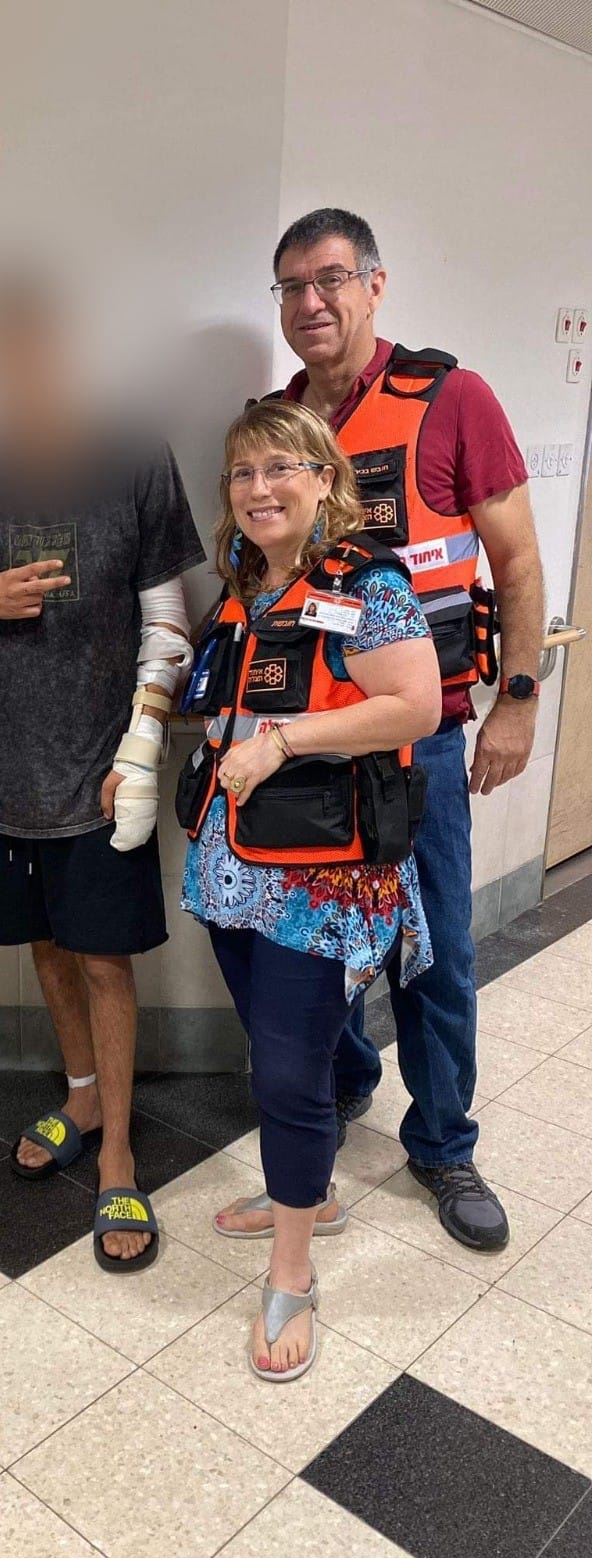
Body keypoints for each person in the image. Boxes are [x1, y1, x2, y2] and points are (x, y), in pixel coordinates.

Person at [248, 207, 543, 1252]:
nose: (310, 303)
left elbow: (515, 563)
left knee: (433, 954)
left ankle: (446, 1141)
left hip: (422, 743)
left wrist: (517, 695)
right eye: (289, 287)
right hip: (312, 746)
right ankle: (342, 1086)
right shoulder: (275, 424)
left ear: (376, 284)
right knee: (316, 947)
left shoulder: (451, 400)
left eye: (330, 279)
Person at [0, 274, 202, 1271]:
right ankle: (80, 1096)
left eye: (34, 345)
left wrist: (136, 751)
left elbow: (170, 617)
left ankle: (120, 1150)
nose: (19, 367)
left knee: (104, 958)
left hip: (102, 772)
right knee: (44, 945)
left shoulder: (131, 455)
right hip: (5, 769)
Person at [184, 400, 440, 1379]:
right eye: (243, 474)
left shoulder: (368, 583)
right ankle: (314, 1190)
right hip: (232, 865)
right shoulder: (243, 589)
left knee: (287, 1073)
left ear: (325, 478)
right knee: (281, 1049)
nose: (260, 489)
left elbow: (412, 704)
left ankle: (293, 1268)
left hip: (319, 878)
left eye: (281, 468)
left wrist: (285, 741)